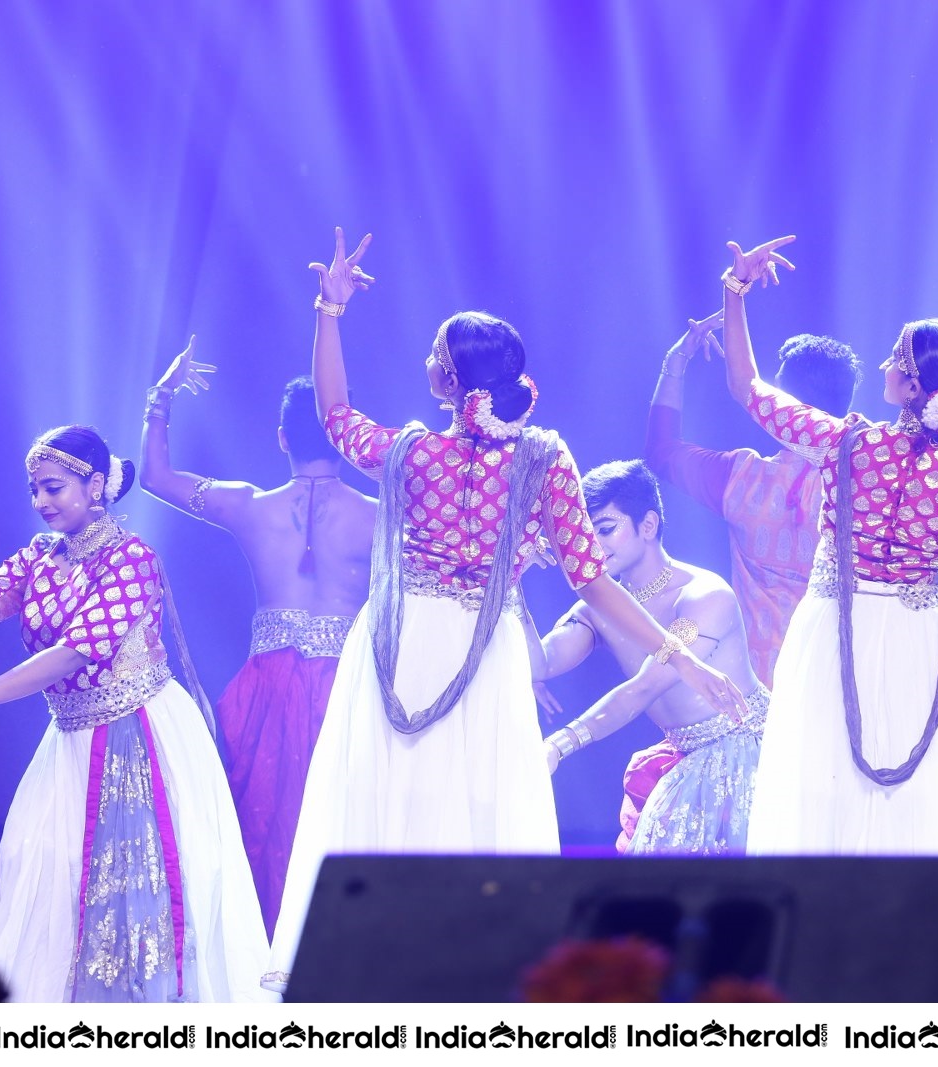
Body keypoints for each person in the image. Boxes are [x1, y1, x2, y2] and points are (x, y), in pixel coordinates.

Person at [265, 229, 746, 991]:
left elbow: (334, 413)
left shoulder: (413, 451)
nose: (427, 360)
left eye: (434, 353)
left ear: (449, 379)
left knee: (395, 792)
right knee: (471, 796)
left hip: (403, 638)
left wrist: (331, 308)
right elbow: (594, 580)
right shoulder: (543, 457)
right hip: (479, 648)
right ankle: (466, 968)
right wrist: (679, 654)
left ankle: (383, 966)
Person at [715, 236, 938, 857]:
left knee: (821, 808)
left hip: (833, 633)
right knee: (915, 817)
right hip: (918, 642)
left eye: (891, 359)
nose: (881, 366)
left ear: (912, 387)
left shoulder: (848, 444)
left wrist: (736, 292)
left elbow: (748, 387)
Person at [0, 427, 270, 1002]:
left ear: (95, 485)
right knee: (48, 877)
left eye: (54, 487)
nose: (41, 502)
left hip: (137, 734)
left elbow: (75, 652)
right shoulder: (41, 555)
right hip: (72, 738)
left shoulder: (131, 558)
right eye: (34, 489)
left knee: (136, 890)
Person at [140, 343, 374, 938]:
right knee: (344, 828)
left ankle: (261, 969)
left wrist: (160, 399)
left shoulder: (247, 506)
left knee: (262, 830)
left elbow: (155, 477)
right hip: (347, 689)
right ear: (347, 440)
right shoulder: (381, 515)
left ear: (281, 438)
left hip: (266, 688)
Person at [529, 459, 769, 854]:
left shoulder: (704, 597)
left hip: (747, 752)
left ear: (648, 525)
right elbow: (539, 663)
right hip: (686, 757)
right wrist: (513, 572)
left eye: (605, 529)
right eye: (586, 534)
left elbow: (643, 689)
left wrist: (558, 745)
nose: (593, 545)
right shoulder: (595, 610)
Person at [646, 315, 861, 687]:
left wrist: (675, 364)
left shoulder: (742, 480)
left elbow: (661, 451)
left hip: (753, 686)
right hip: (838, 682)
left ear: (781, 406)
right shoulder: (870, 489)